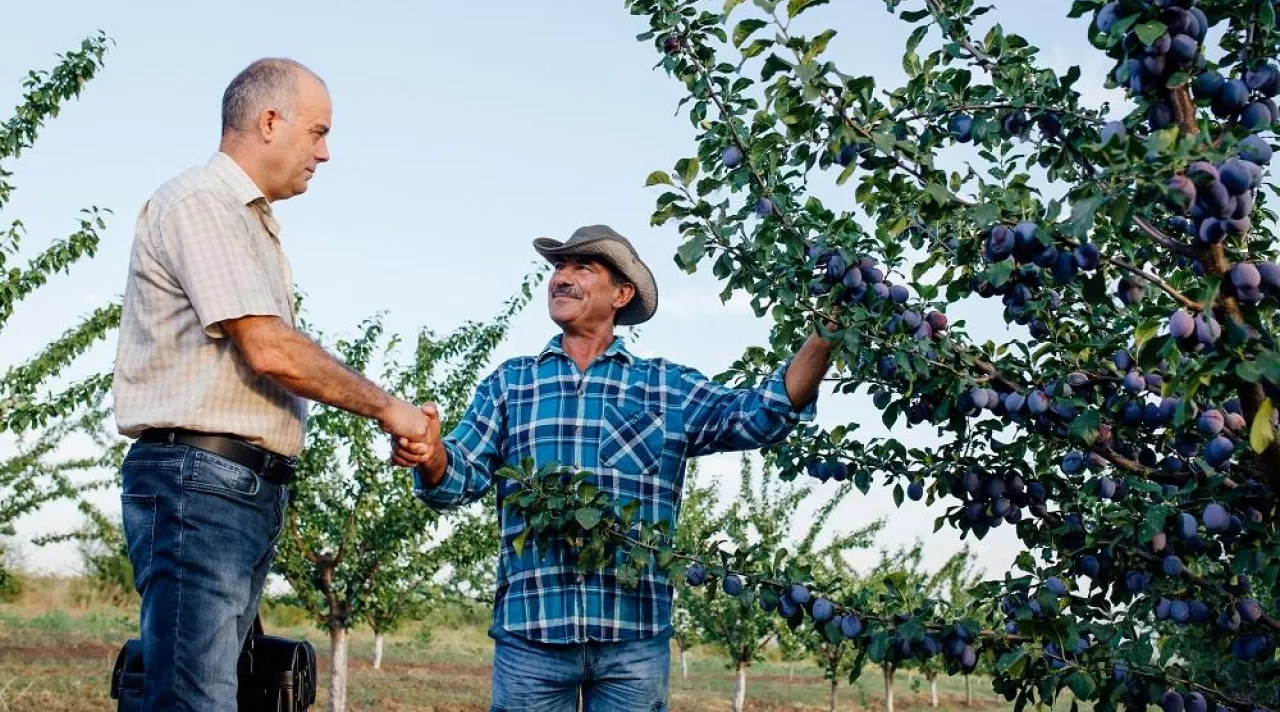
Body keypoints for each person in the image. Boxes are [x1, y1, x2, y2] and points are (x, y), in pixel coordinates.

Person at [394, 224, 834, 711]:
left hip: (634, 636)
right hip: (533, 630)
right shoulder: (510, 384)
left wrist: (827, 335)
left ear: (622, 293)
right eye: (558, 266)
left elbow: (759, 416)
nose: (562, 277)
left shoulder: (664, 388)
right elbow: (458, 475)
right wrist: (431, 454)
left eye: (583, 267)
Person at [113, 57, 440, 711]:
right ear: (270, 121)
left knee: (218, 690)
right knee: (194, 699)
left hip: (230, 490)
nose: (325, 152)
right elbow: (269, 349)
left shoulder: (251, 222)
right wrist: (390, 410)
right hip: (199, 483)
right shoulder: (203, 202)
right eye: (317, 131)